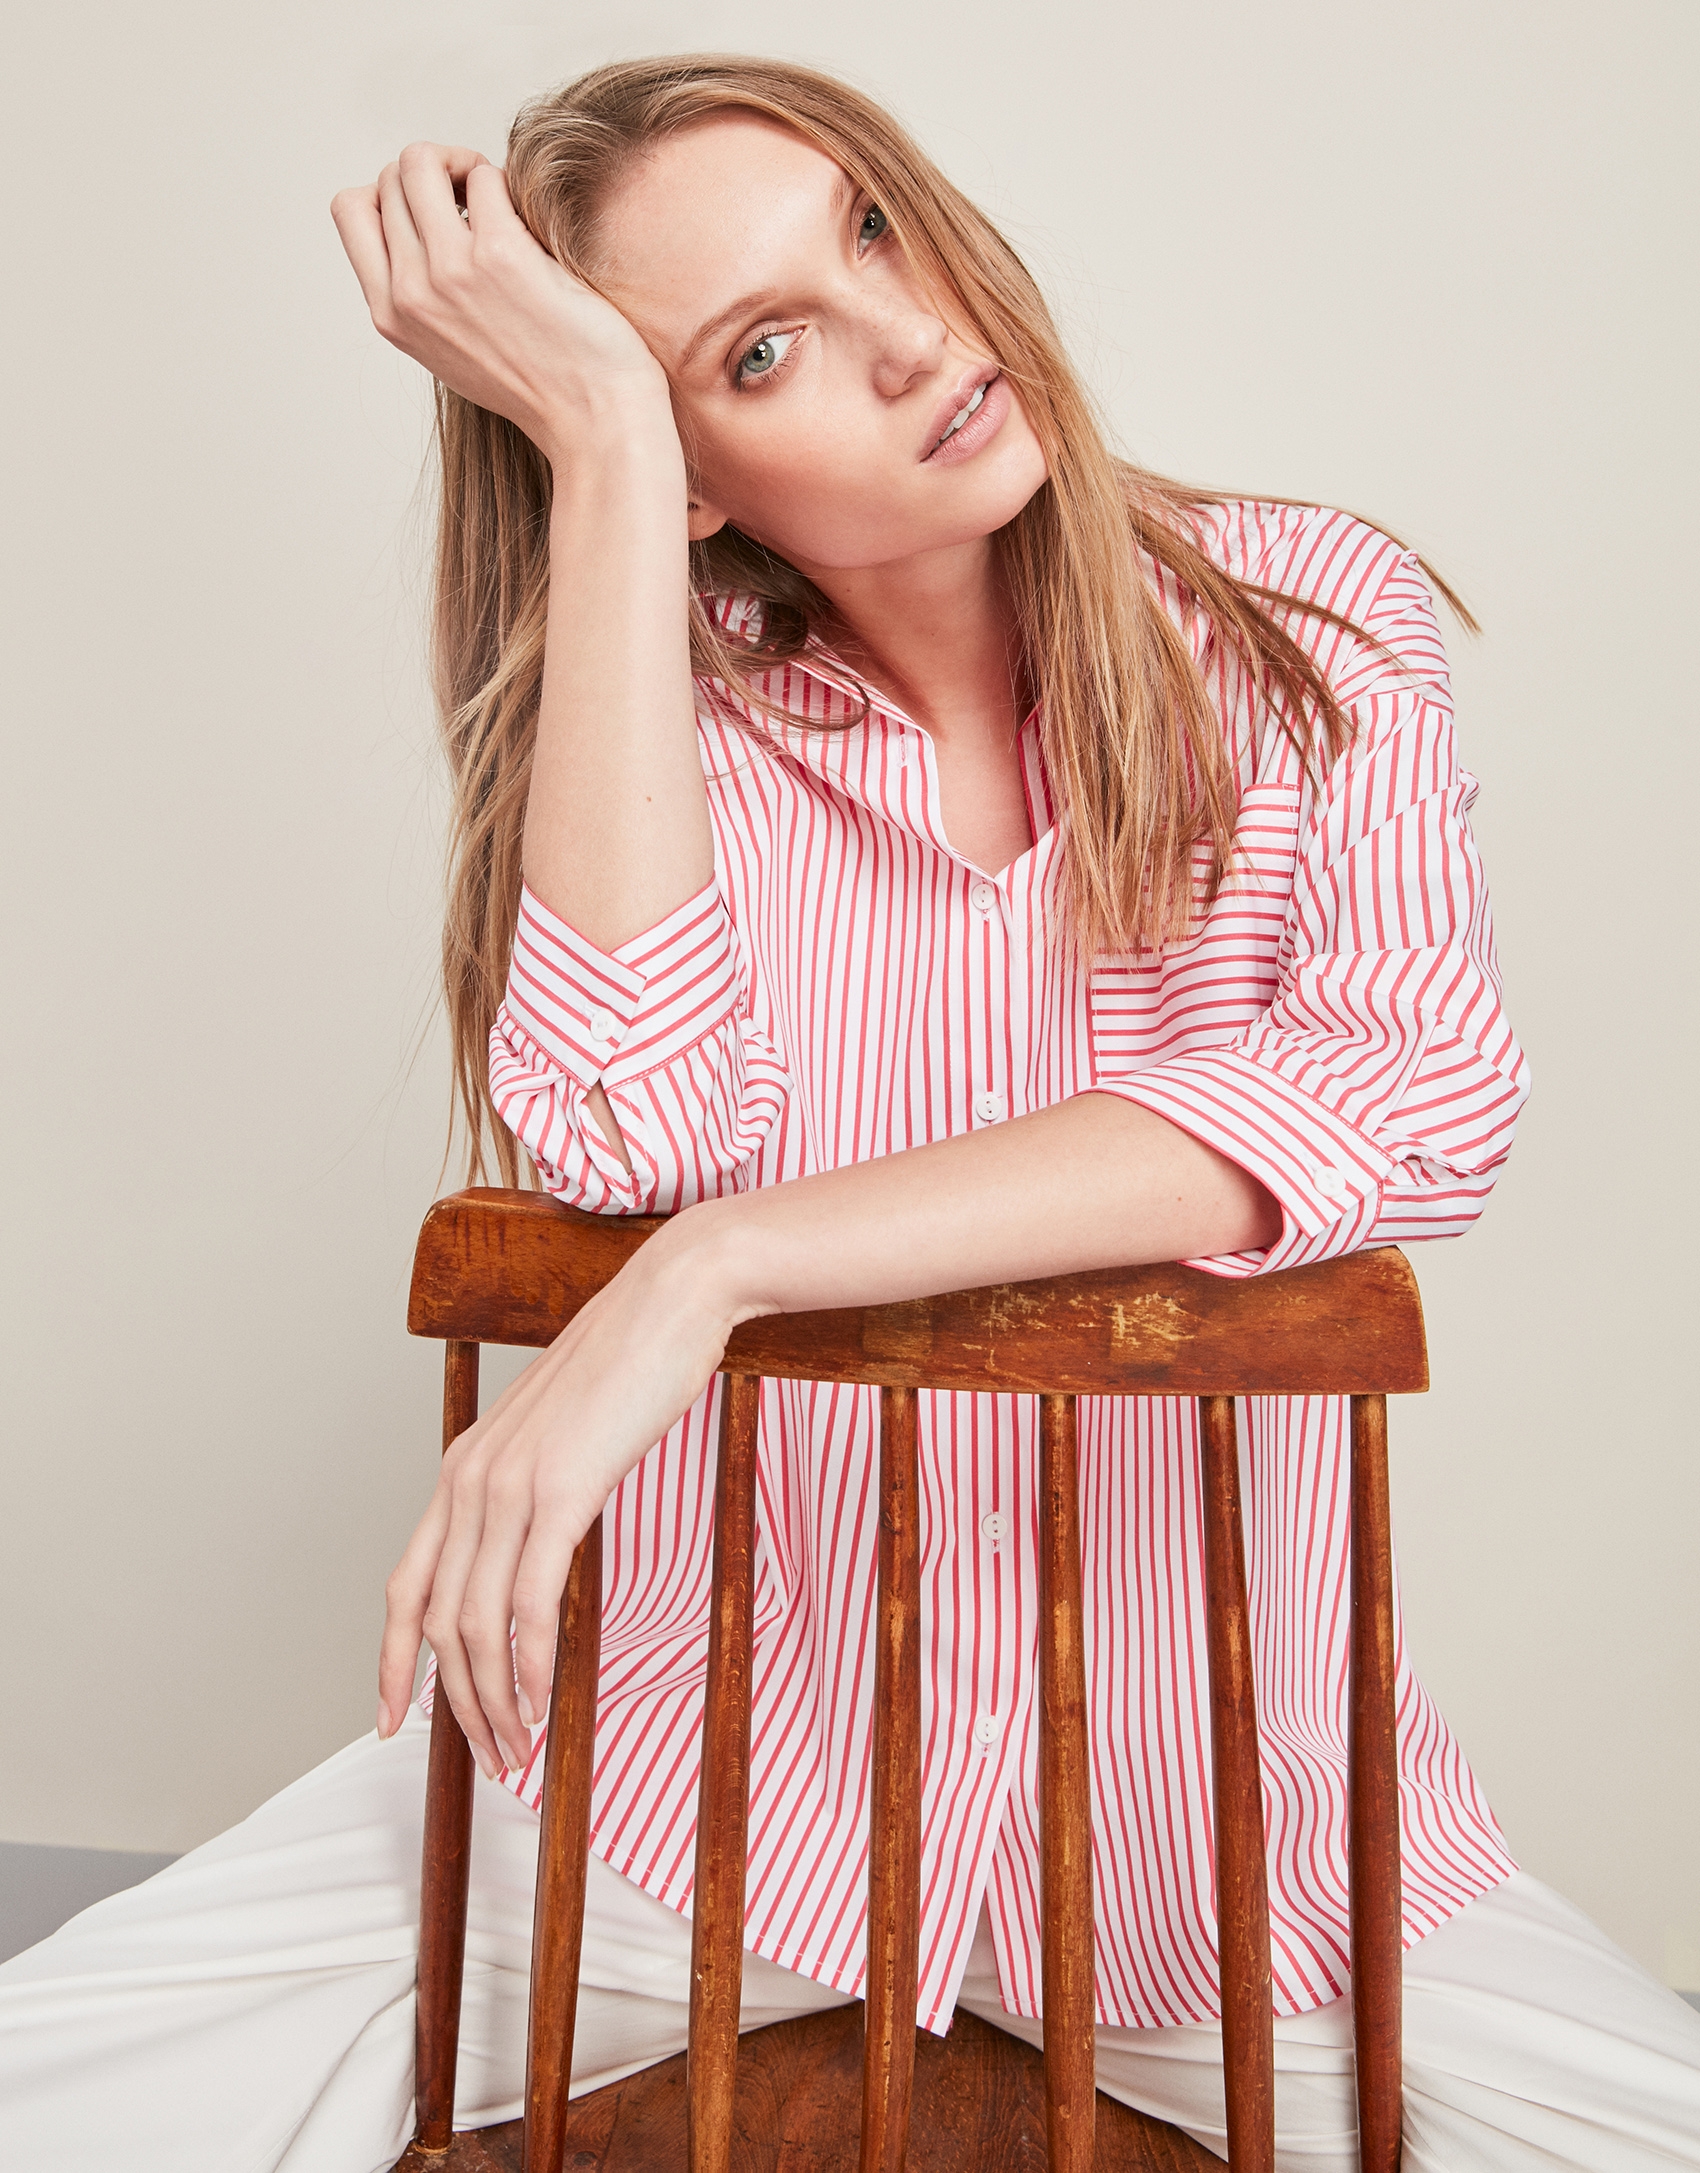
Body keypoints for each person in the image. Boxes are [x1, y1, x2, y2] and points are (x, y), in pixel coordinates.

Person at [2, 52, 1696, 2173]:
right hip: (688, 1817)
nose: (908, 344)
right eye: (764, 349)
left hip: (1219, 1872)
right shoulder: (666, 716)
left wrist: (725, 1265)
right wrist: (613, 451)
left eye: (870, 230)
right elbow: (615, 1116)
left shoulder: (1301, 618)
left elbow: (1408, 1084)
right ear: (696, 464)